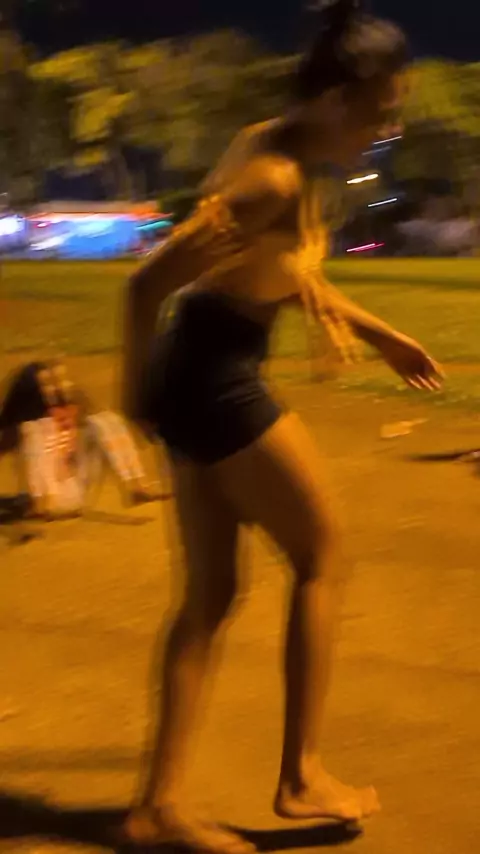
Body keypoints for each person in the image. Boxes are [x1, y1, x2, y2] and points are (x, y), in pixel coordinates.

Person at [121, 1, 443, 850]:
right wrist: (132, 398)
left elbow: (287, 273)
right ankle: (301, 776)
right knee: (323, 554)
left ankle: (156, 808)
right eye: (379, 113)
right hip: (211, 378)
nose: (388, 129)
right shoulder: (273, 178)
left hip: (202, 370)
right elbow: (146, 284)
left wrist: (381, 334)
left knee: (210, 596)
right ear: (334, 99)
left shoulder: (285, 153)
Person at [0, 358, 164, 518]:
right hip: (50, 498)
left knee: (106, 420)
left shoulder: (66, 410)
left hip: (79, 489)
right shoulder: (27, 427)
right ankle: (42, 502)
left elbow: (90, 421)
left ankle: (136, 486)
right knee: (35, 430)